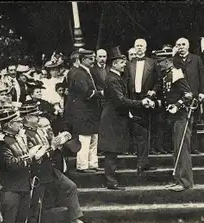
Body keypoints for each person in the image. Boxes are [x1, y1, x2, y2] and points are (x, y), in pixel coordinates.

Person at [21, 102, 91, 223]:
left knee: (70, 186)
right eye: (35, 115)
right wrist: (52, 147)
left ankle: (75, 218)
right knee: (34, 205)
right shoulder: (24, 135)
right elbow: (36, 156)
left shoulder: (39, 130)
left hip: (50, 169)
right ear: (27, 118)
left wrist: (59, 141)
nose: (38, 118)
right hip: (37, 173)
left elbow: (50, 146)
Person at [99, 46, 155, 190]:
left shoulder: (116, 77)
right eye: (122, 62)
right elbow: (120, 100)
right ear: (115, 64)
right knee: (111, 151)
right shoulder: (113, 79)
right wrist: (141, 102)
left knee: (115, 149)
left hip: (117, 117)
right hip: (113, 119)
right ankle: (111, 181)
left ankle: (113, 179)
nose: (125, 64)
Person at [156, 49, 194, 192]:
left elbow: (188, 94)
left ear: (167, 62)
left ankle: (185, 182)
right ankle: (178, 179)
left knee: (182, 149)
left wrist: (177, 105)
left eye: (160, 62)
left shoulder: (176, 73)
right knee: (176, 149)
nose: (158, 65)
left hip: (181, 117)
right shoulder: (167, 75)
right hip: (173, 118)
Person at [125, 38, 160, 172]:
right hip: (134, 100)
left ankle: (143, 161)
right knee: (138, 132)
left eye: (141, 46)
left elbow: (158, 81)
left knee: (146, 131)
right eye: (137, 46)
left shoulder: (153, 63)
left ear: (145, 48)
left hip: (147, 99)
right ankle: (141, 162)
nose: (139, 48)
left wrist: (153, 93)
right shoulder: (129, 64)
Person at [68, 48, 104, 173]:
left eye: (93, 58)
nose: (93, 60)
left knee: (94, 138)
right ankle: (82, 165)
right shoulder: (79, 73)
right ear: (83, 60)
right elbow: (86, 93)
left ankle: (93, 163)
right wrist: (101, 93)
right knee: (84, 139)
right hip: (83, 111)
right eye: (90, 58)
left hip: (91, 111)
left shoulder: (87, 72)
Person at [173, 38, 204, 154]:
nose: (181, 47)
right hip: (180, 96)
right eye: (178, 45)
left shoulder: (196, 59)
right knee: (181, 121)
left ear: (188, 46)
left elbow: (202, 77)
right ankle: (183, 147)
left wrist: (202, 92)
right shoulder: (174, 60)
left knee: (194, 122)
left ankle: (193, 147)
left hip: (194, 94)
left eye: (183, 44)